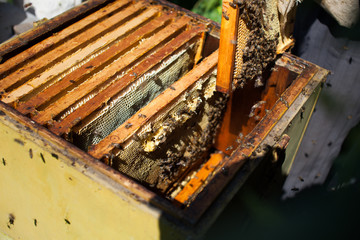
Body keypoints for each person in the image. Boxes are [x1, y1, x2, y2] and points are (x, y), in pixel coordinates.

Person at [282, 0, 360, 198]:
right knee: (282, 116)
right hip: (313, 15)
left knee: (311, 146)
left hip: (350, 44)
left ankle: (292, 209)